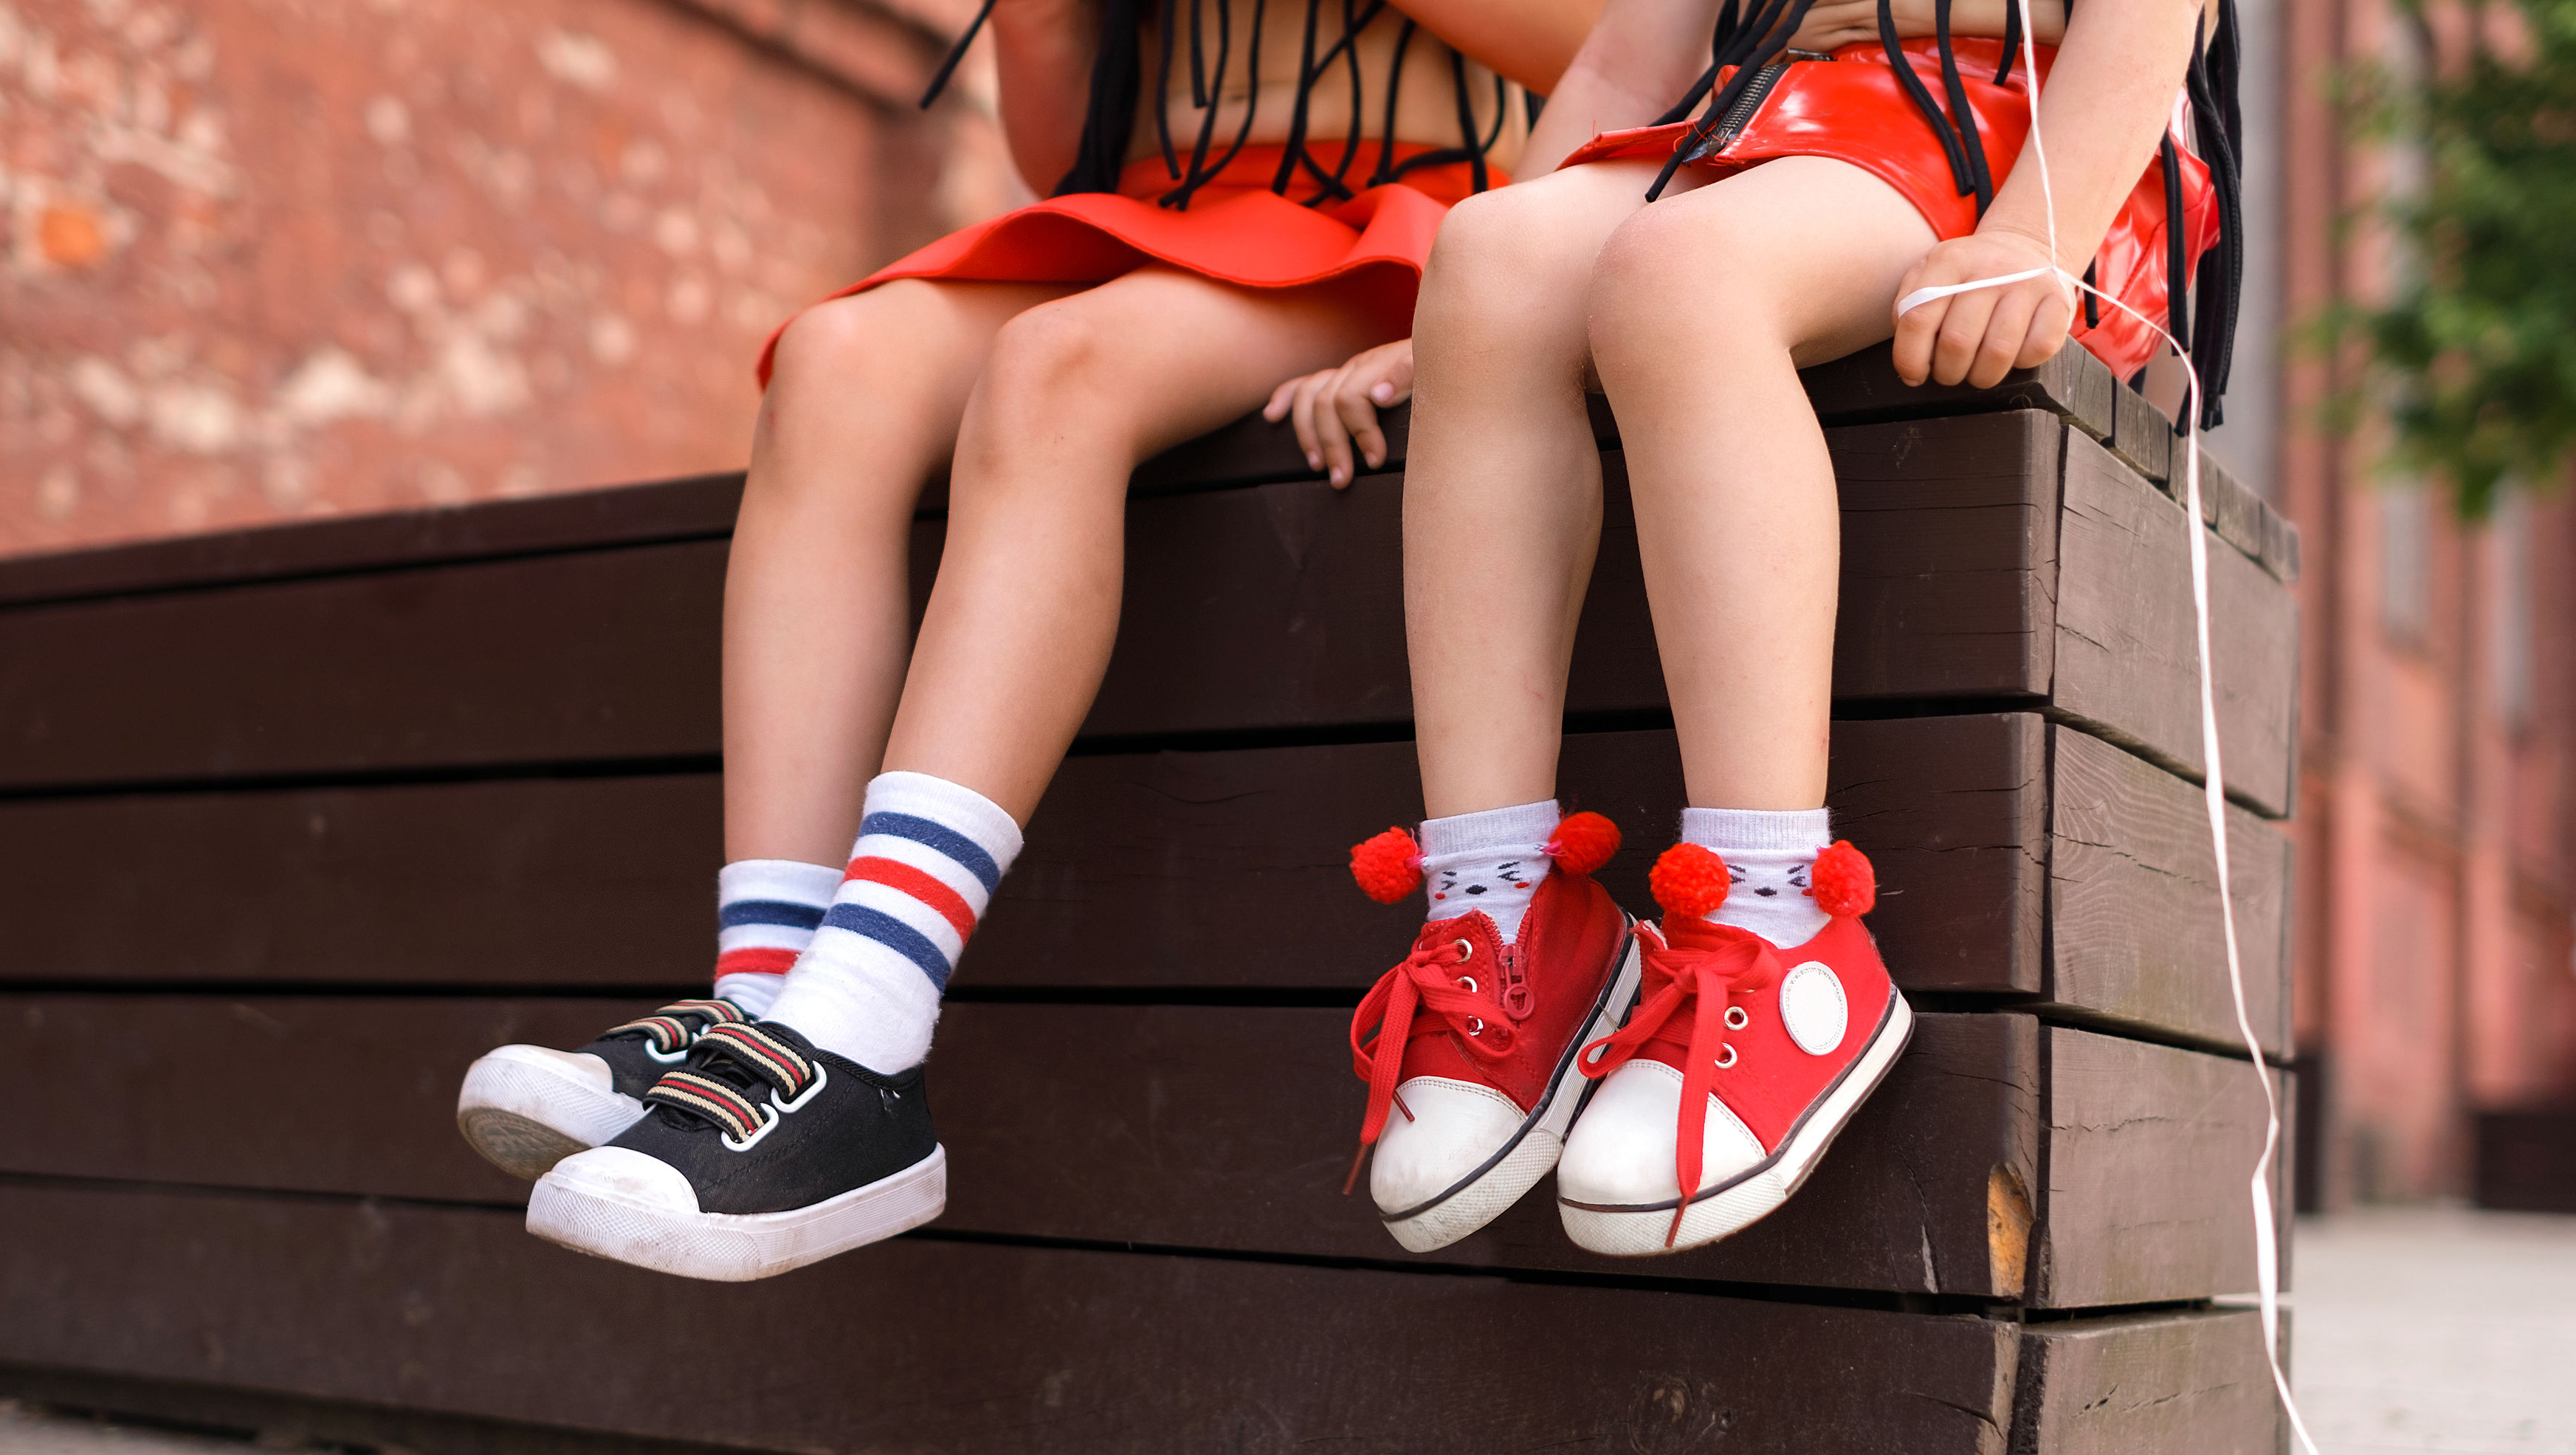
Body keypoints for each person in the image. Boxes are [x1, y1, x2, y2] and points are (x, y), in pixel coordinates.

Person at [450, 0, 1599, 1282]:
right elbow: (1069, 153)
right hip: (1157, 226)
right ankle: (765, 1003)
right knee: (835, 363)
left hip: (1403, 230)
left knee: (1056, 368)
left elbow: (1614, 49)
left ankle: (864, 1031)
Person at [1335, 0, 2240, 1256]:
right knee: (1486, 259)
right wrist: (1451, 329)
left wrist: (2043, 226)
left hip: (2017, 128)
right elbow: (1625, 55)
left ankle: (1778, 923)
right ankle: (1503, 914)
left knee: (1679, 274)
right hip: (1778, 125)